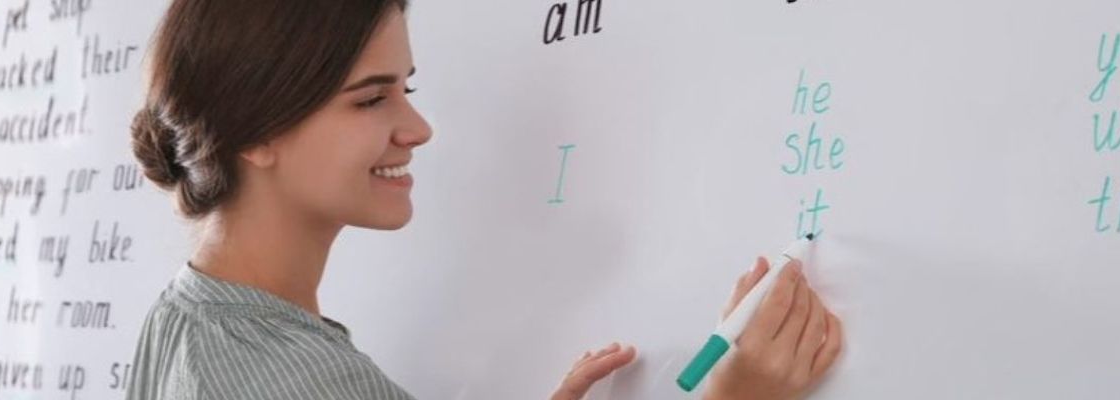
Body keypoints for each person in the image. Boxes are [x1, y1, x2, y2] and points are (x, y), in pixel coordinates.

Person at [125, 1, 843, 399]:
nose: (417, 128)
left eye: (409, 89)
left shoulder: (188, 318)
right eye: (372, 99)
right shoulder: (304, 382)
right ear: (258, 132)